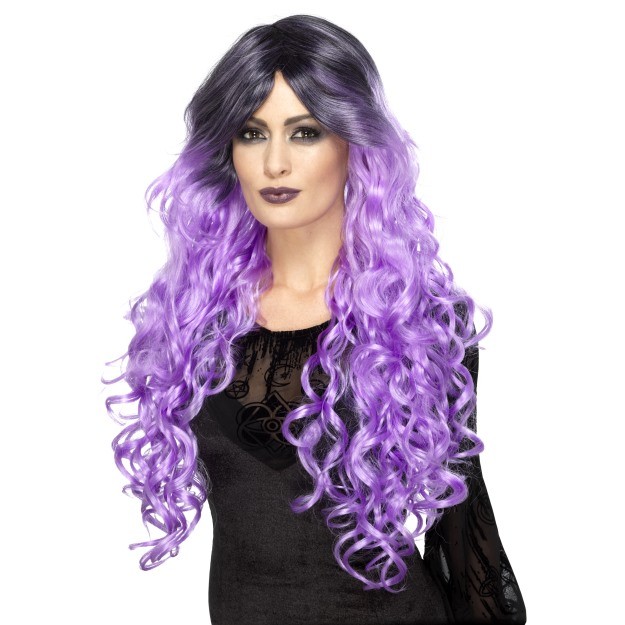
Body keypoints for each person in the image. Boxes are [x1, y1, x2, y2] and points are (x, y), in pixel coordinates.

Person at [105, 14, 526, 624]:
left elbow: (463, 531)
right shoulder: (193, 320)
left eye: (304, 133)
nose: (274, 163)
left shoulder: (419, 326)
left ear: (353, 143)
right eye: (252, 133)